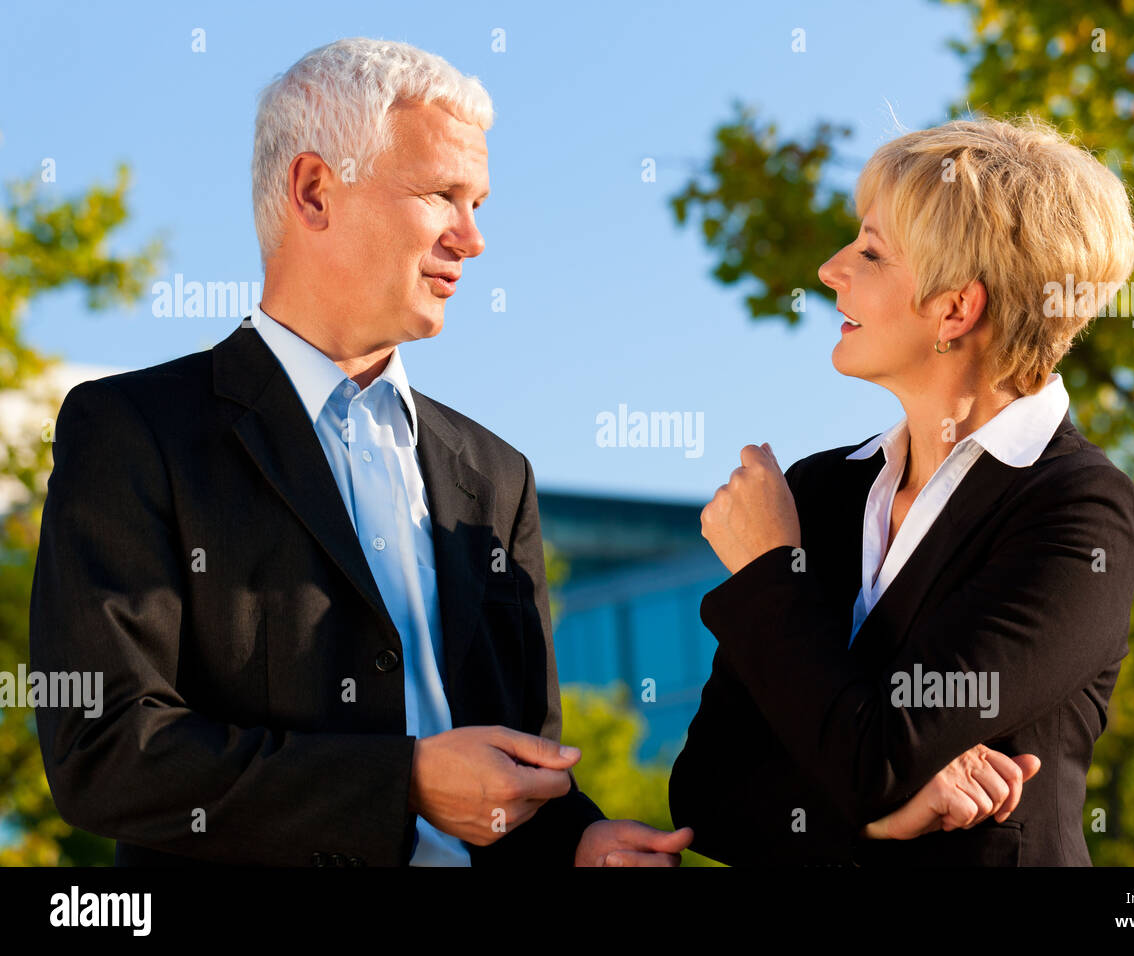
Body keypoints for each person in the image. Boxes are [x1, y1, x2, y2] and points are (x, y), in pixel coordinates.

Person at [30, 37, 690, 867]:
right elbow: (109, 754)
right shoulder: (133, 429)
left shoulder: (497, 475)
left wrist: (578, 841)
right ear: (314, 191)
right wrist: (402, 781)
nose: (473, 238)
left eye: (479, 202)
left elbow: (516, 764)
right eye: (444, 195)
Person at [669, 115, 1134, 866]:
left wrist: (768, 572)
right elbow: (707, 791)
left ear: (955, 309)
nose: (833, 269)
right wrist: (870, 821)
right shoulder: (820, 490)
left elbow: (878, 758)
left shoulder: (1081, 513)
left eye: (870, 251)